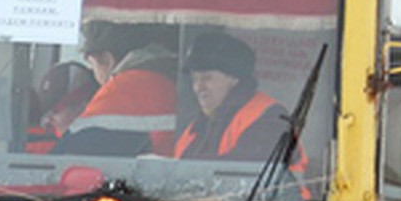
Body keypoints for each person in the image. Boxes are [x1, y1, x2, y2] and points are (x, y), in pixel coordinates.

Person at [172, 26, 297, 166]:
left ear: (234, 79)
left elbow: (243, 175)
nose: (198, 87)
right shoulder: (197, 127)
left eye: (207, 78)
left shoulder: (270, 118)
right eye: (195, 79)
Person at [55, 20, 178, 157]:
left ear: (107, 60)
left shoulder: (123, 90)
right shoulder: (179, 79)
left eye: (93, 65)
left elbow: (65, 158)